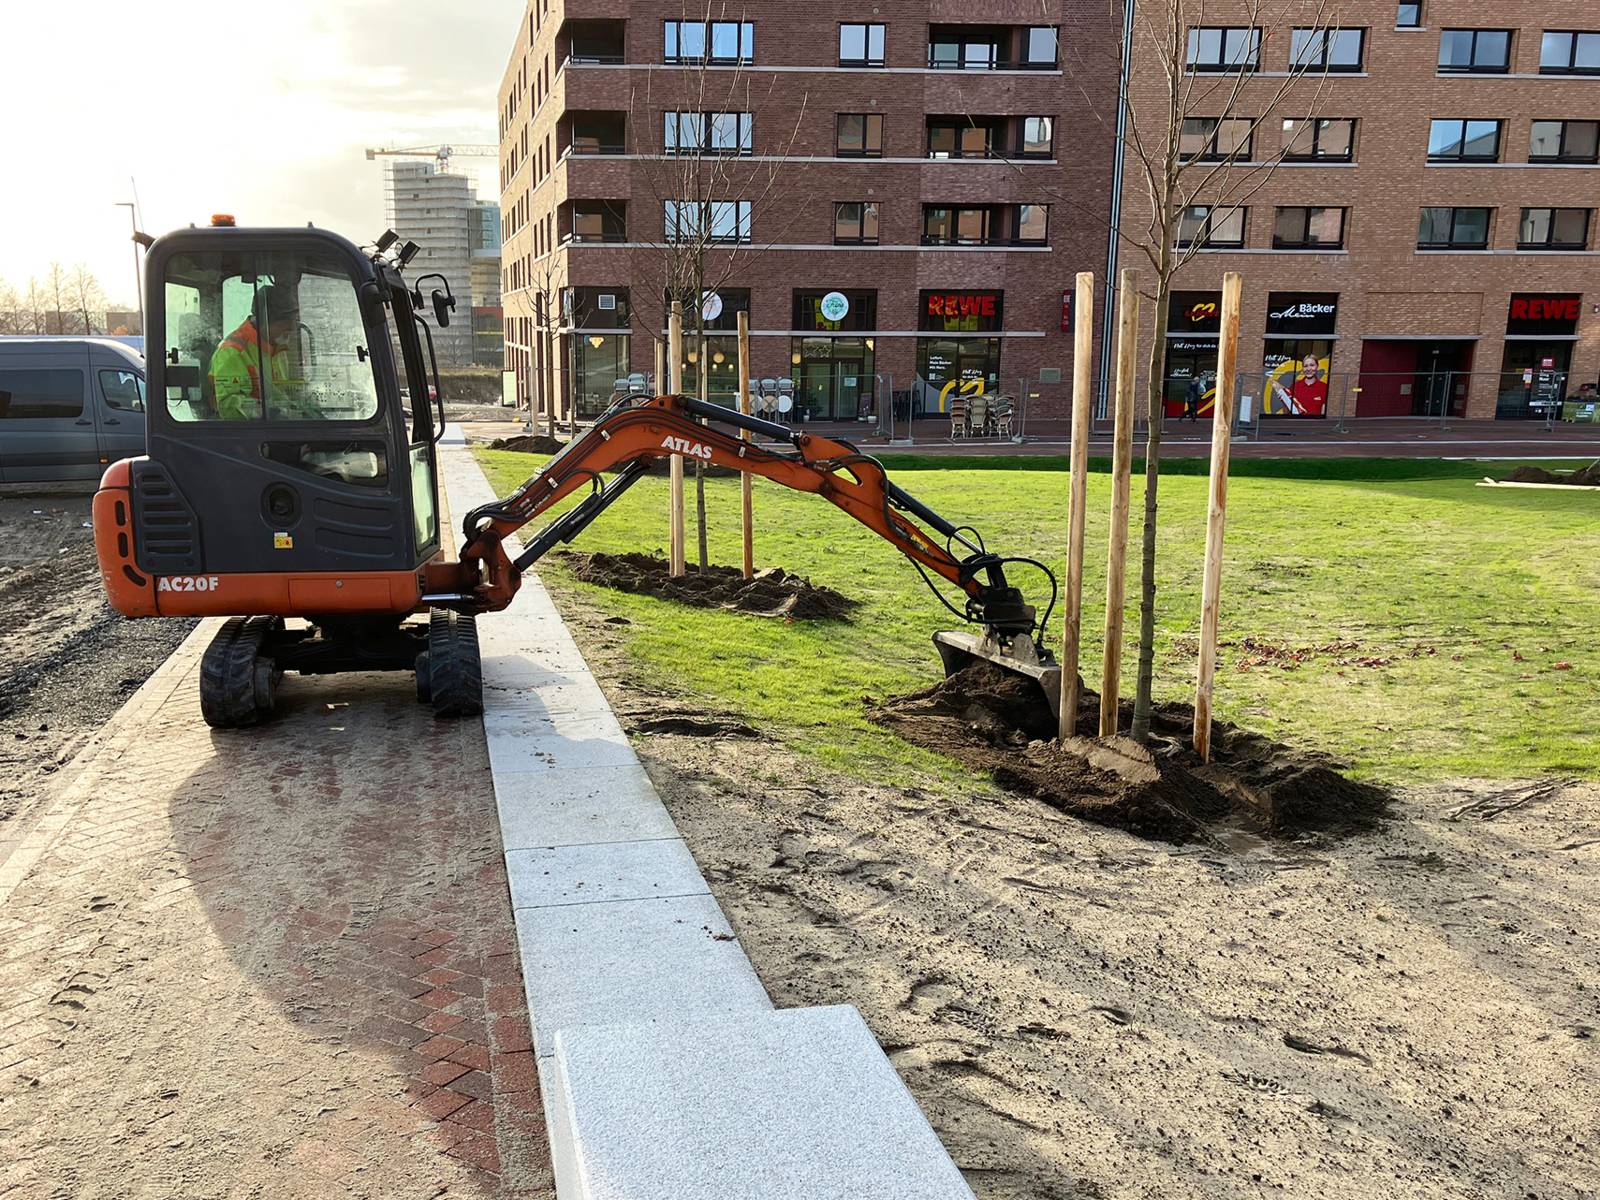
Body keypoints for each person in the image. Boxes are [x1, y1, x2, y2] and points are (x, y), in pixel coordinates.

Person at [209, 285, 301, 420]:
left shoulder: (276, 347)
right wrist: (269, 412)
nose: (291, 329)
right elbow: (229, 405)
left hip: (277, 429)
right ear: (264, 322)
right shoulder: (232, 352)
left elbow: (281, 394)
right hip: (246, 434)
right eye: (284, 324)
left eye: (293, 322)